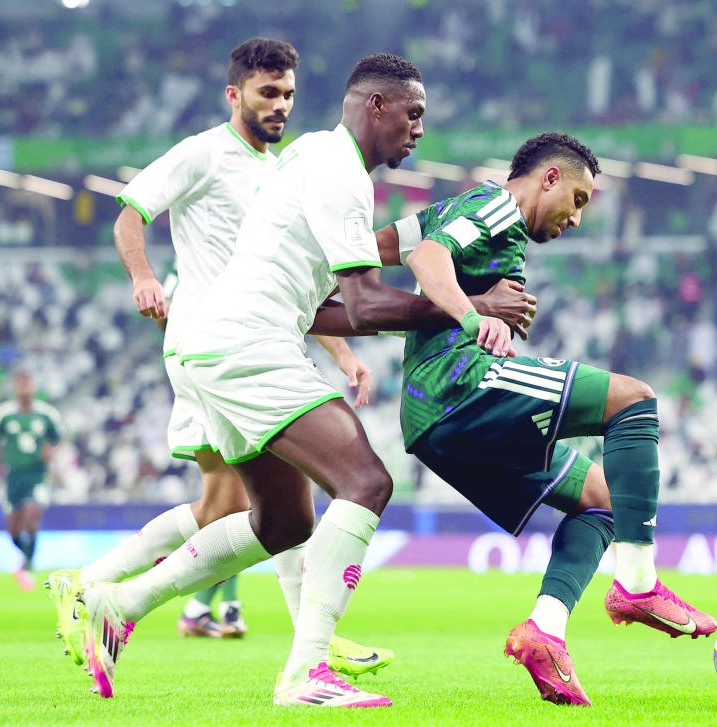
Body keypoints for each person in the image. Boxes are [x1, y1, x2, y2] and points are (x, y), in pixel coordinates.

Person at [74, 53, 533, 706]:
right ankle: (305, 672)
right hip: (247, 344)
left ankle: (120, 601)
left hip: (221, 345)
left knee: (285, 519)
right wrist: (472, 309)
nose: (420, 129)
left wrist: (438, 283)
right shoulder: (339, 172)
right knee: (366, 481)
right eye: (413, 113)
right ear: (375, 105)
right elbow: (370, 306)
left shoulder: (313, 159)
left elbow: (326, 309)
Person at [45, 38, 389, 678]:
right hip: (213, 344)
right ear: (234, 94)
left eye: (288, 93)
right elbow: (131, 213)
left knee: (242, 504)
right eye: (267, 93)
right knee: (266, 499)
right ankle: (308, 640)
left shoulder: (280, 168)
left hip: (257, 341)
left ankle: (97, 590)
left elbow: (294, 277)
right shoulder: (205, 152)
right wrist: (144, 278)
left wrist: (340, 351)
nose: (281, 105)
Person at [380, 131, 717, 706]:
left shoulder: (462, 209)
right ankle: (638, 585)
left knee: (605, 498)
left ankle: (545, 632)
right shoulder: (495, 206)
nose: (577, 219)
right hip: (458, 384)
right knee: (633, 399)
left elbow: (385, 244)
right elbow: (424, 257)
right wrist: (471, 316)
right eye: (579, 200)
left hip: (436, 423)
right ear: (550, 178)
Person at [0, 372, 63, 590]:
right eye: (21, 384)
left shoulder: (47, 415)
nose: (25, 389)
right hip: (12, 476)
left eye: (28, 384)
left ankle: (26, 566)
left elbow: (58, 439)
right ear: (15, 389)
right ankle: (24, 559)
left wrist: (50, 450)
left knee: (32, 513)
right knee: (14, 526)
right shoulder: (4, 415)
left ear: (34, 388)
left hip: (36, 475)